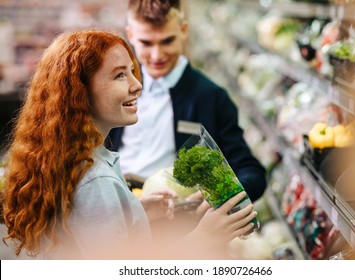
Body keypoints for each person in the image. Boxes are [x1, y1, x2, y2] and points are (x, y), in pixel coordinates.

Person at [1, 28, 257, 259]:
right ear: (80, 92)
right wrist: (204, 238)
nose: (137, 85)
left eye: (132, 72)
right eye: (119, 76)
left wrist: (134, 210)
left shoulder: (72, 156)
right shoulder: (96, 181)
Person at [105, 0, 267, 202]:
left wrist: (218, 196)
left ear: (183, 30)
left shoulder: (211, 97)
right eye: (146, 43)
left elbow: (251, 172)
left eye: (167, 41)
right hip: (118, 205)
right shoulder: (114, 87)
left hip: (175, 218)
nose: (157, 55)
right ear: (130, 35)